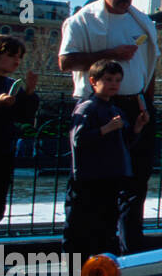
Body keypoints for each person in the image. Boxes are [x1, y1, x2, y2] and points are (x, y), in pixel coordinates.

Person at [59, 0, 159, 254]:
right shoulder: (83, 20)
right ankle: (85, 252)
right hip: (98, 106)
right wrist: (111, 54)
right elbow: (65, 62)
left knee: (136, 179)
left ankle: (130, 248)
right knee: (92, 182)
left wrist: (147, 103)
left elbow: (150, 67)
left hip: (135, 105)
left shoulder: (142, 22)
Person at [63, 60, 150, 257]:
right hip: (90, 176)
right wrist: (106, 129)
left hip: (111, 174)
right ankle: (76, 263)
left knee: (107, 221)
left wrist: (137, 127)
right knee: (82, 222)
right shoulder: (86, 107)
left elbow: (125, 142)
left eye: (118, 80)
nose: (114, 84)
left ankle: (101, 259)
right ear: (93, 81)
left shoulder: (116, 110)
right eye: (108, 79)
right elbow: (78, 140)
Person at [0, 35, 40, 262]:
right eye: (11, 55)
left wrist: (31, 92)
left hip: (2, 152)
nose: (16, 60)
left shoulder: (12, 85)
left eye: (19, 57)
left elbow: (25, 115)